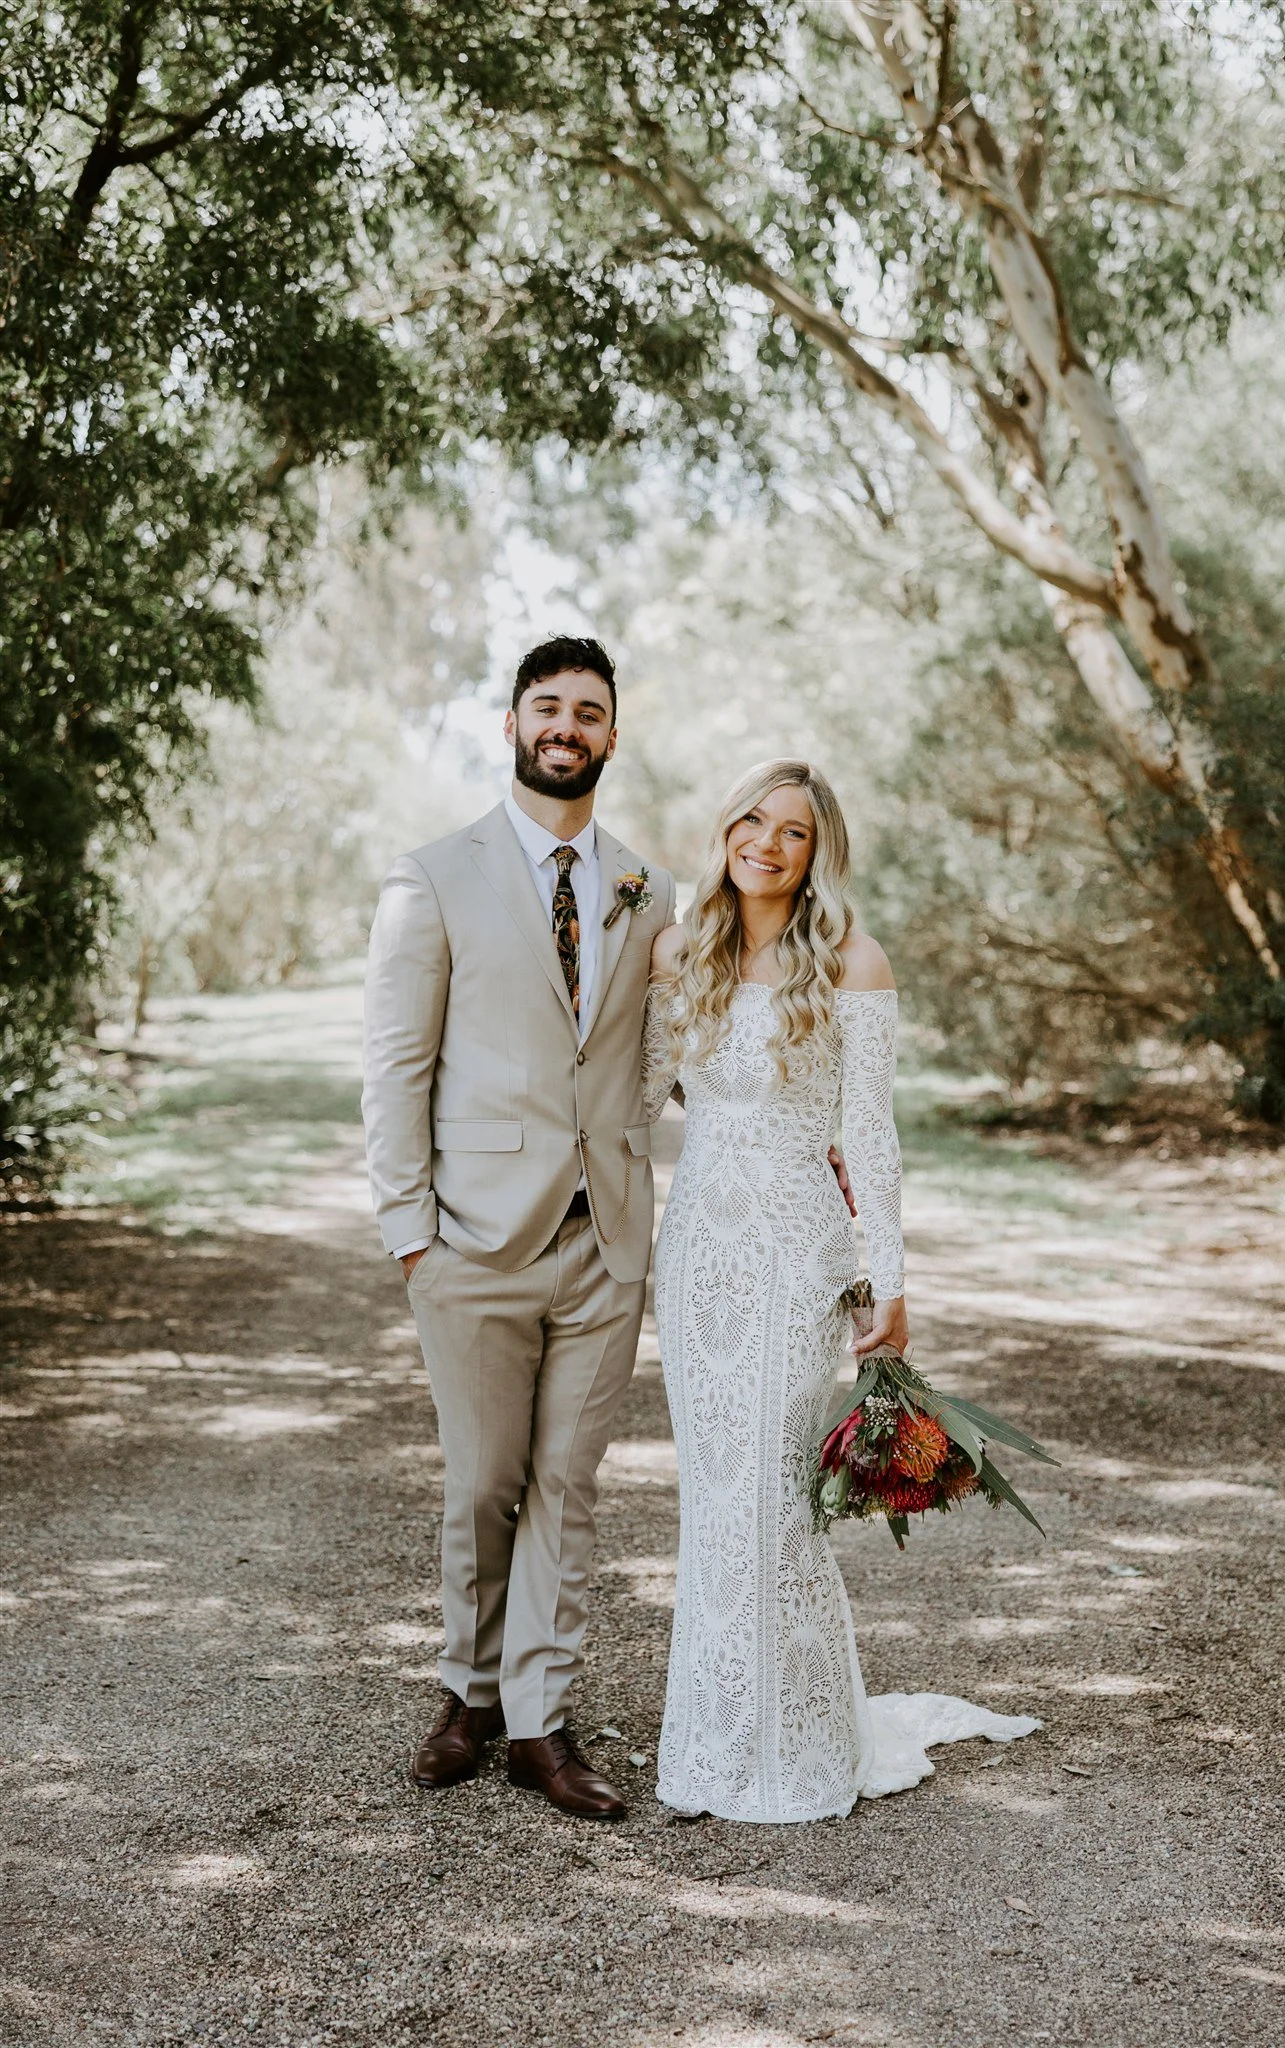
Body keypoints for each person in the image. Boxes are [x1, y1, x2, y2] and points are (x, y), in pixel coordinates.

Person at [643, 760, 1040, 1822]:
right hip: (695, 1257)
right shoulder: (681, 949)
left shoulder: (853, 962)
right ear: (725, 826)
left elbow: (871, 1136)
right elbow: (637, 1094)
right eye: (754, 820)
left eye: (796, 833)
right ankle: (716, 1742)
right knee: (711, 1501)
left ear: (819, 854)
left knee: (775, 1501)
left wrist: (891, 1281)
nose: (769, 843)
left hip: (794, 1255)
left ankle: (800, 1744)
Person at [361, 636, 677, 1820]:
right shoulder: (434, 875)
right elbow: (396, 1065)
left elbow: (655, 1071)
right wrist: (411, 1233)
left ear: (610, 734)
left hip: (606, 1245)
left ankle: (540, 1722)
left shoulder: (648, 888)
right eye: (547, 706)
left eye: (589, 711)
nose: (567, 726)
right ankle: (467, 1689)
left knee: (566, 1483)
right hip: (471, 1241)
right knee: (482, 1480)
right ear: (511, 724)